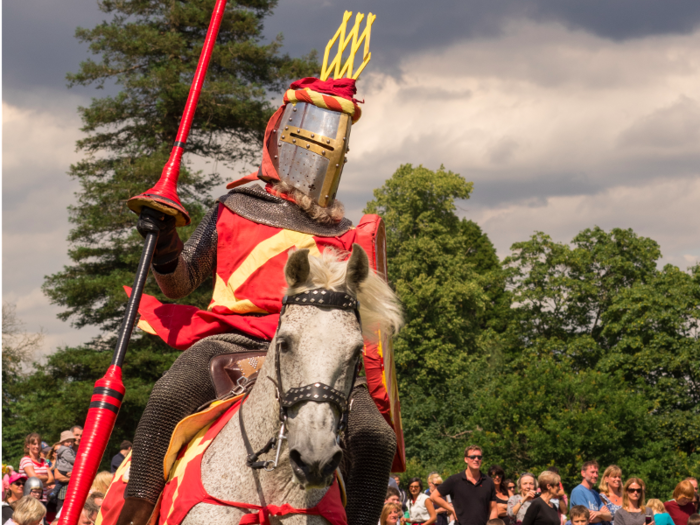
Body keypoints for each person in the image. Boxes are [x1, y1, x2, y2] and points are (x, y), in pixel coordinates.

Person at [117, 73, 400, 525]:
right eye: (310, 142)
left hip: (320, 356)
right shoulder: (236, 207)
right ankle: (134, 514)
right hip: (229, 344)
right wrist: (166, 240)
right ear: (283, 139)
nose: (317, 156)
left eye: (330, 146)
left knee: (376, 440)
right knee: (168, 396)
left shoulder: (344, 236)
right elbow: (179, 283)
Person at [431, 445, 499, 525]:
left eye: (479, 457)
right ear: (466, 459)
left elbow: (493, 509)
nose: (476, 459)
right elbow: (434, 496)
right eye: (473, 457)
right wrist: (451, 509)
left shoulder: (488, 481)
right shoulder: (455, 480)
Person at [18, 434, 53, 503]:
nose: (37, 446)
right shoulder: (26, 459)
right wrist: (46, 477)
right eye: (34, 444)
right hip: (30, 499)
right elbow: (34, 477)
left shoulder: (44, 461)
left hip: (43, 498)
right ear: (28, 445)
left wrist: (38, 484)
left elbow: (52, 479)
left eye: (38, 444)